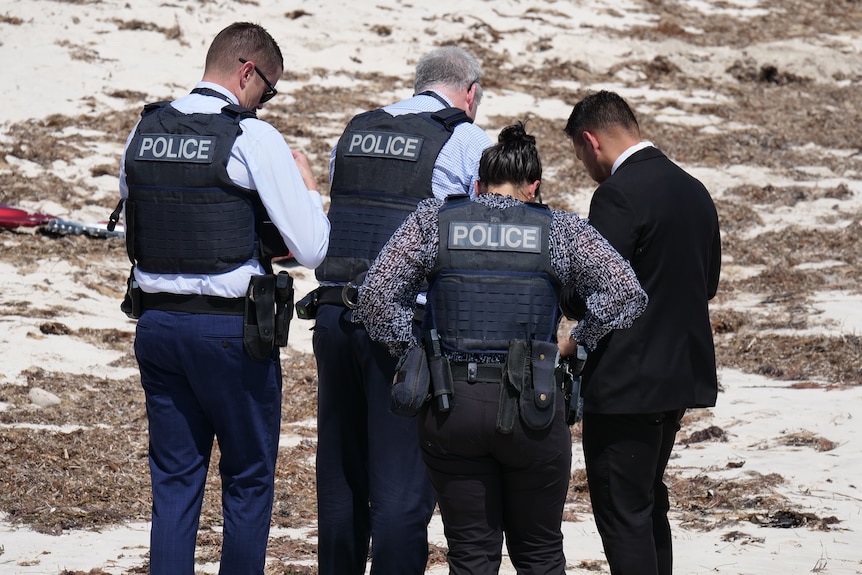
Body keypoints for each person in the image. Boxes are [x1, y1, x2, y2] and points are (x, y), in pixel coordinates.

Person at [354, 122, 648, 575]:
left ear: (477, 183)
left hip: (451, 405)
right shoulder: (561, 230)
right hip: (535, 405)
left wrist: (414, 352)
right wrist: (576, 342)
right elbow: (627, 293)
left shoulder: (434, 220)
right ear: (534, 187)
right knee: (540, 553)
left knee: (471, 555)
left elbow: (375, 297)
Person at [116, 22, 330, 575]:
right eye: (269, 88)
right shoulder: (251, 136)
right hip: (231, 334)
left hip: (158, 326)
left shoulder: (144, 130)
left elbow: (141, 224)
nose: (266, 101)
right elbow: (312, 248)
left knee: (175, 486)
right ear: (246, 72)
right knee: (248, 480)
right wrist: (308, 188)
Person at [307, 46, 494, 575]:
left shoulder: (357, 129)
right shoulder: (465, 139)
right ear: (470, 92)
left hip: (333, 317)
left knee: (342, 478)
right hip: (400, 329)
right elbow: (483, 238)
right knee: (401, 489)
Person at [560, 90, 721, 575]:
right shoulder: (693, 188)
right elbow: (707, 283)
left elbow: (593, 286)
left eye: (580, 155)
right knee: (648, 501)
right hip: (677, 380)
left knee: (622, 512)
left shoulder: (617, 194)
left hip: (626, 383)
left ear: (591, 141)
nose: (586, 166)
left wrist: (568, 307)